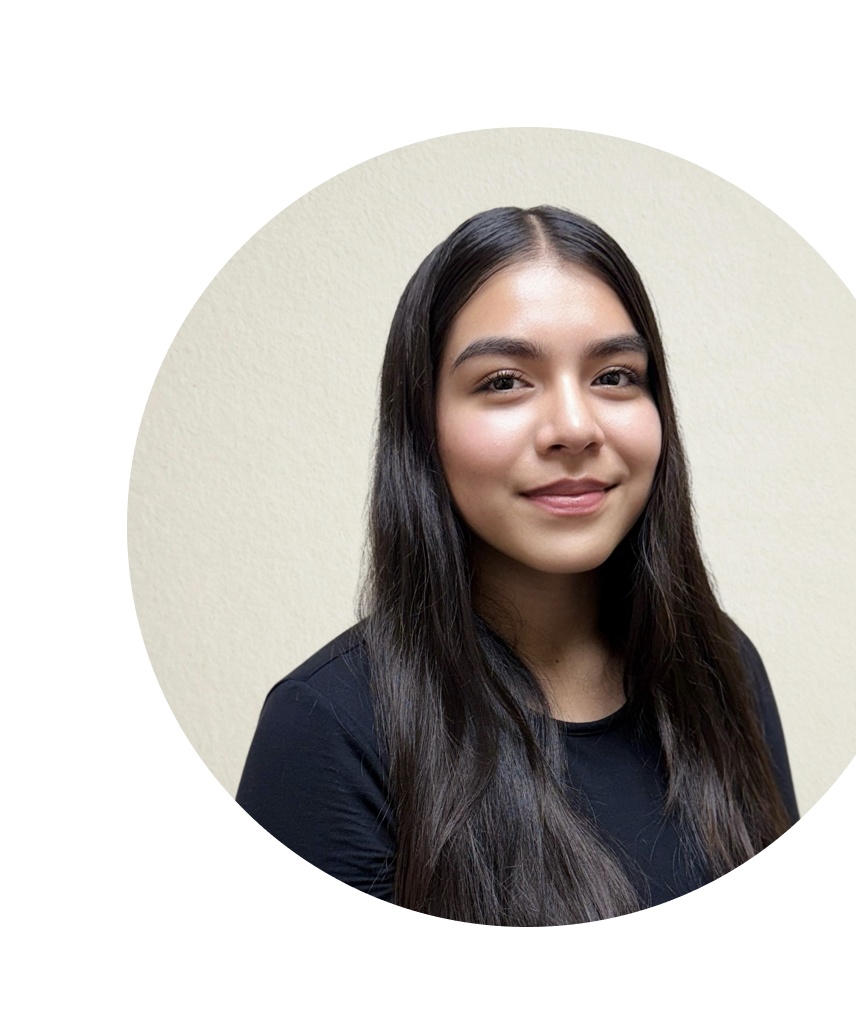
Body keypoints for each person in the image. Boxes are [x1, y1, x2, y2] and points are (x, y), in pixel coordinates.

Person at [236, 205, 799, 926]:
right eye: (504, 381)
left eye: (616, 375)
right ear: (422, 427)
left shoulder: (719, 665)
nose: (573, 427)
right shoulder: (330, 727)